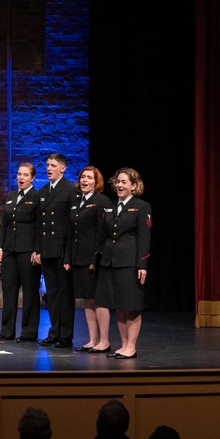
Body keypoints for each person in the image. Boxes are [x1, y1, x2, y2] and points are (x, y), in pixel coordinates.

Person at [98, 168, 151, 359]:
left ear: (134, 186)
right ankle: (123, 345)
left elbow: (144, 238)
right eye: (118, 182)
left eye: (124, 182)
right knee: (119, 306)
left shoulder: (141, 206)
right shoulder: (111, 206)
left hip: (130, 263)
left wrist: (142, 265)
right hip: (110, 262)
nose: (119, 185)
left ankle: (132, 346)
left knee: (131, 306)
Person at [0, 162, 40, 342]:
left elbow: (39, 227)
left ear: (32, 178)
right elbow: (4, 223)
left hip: (28, 251)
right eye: (19, 175)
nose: (21, 178)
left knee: (30, 291)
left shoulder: (37, 197)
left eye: (25, 175)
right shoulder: (12, 196)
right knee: (9, 290)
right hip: (10, 251)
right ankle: (7, 331)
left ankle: (29, 332)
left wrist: (37, 249)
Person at [35, 152, 75, 349]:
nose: (48, 168)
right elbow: (40, 225)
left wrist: (69, 253)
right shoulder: (43, 192)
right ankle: (54, 331)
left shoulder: (70, 190)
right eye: (47, 165)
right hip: (48, 249)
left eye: (52, 165)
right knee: (52, 293)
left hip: (62, 250)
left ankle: (65, 335)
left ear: (63, 168)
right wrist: (38, 250)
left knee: (64, 293)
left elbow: (72, 225)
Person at [70, 166, 111, 352]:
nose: (85, 180)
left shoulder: (101, 200)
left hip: (94, 258)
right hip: (79, 257)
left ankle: (104, 341)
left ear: (96, 182)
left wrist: (97, 256)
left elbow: (103, 232)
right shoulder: (78, 200)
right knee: (87, 299)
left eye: (89, 178)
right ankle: (93, 340)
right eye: (83, 177)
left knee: (98, 299)